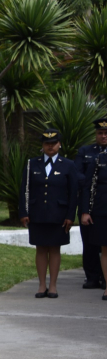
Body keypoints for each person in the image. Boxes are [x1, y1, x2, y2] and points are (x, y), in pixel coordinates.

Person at [19, 129, 78, 299]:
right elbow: (24, 189)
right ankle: (41, 285)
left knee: (54, 249)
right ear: (42, 145)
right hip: (37, 213)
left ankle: (53, 285)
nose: (50, 146)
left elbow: (73, 193)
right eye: (47, 143)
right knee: (40, 248)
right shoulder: (32, 163)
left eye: (53, 143)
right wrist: (23, 211)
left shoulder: (68, 165)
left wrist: (70, 215)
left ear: (59, 144)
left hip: (58, 214)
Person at [74, 118, 107, 289]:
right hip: (88, 203)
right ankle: (92, 276)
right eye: (100, 133)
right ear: (96, 134)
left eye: (106, 133)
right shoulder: (86, 151)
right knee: (89, 242)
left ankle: (104, 277)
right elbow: (77, 173)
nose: (103, 136)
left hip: (104, 203)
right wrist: (90, 181)